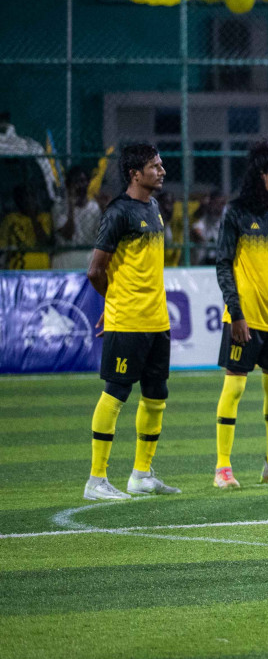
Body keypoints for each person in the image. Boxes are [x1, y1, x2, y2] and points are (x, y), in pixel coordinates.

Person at [82, 144, 180, 500]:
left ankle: (141, 474)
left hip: (157, 319)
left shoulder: (153, 207)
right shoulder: (118, 212)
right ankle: (96, 480)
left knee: (156, 396)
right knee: (116, 393)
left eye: (161, 163)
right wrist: (115, 304)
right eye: (155, 166)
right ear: (135, 173)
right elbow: (95, 271)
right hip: (128, 321)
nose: (162, 170)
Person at [211, 142, 268, 489]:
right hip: (245, 318)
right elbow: (223, 264)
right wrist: (235, 314)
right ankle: (223, 468)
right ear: (261, 174)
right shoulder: (235, 212)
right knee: (233, 388)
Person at [53, 165, 103, 269]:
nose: (81, 186)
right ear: (69, 185)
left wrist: (104, 210)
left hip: (88, 255)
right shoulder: (60, 207)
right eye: (76, 182)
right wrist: (71, 207)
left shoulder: (94, 207)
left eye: (83, 181)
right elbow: (67, 234)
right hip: (66, 255)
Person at [2, 184, 52, 269]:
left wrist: (32, 216)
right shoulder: (10, 219)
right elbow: (3, 245)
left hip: (41, 267)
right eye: (23, 197)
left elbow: (44, 241)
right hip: (16, 267)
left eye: (31, 197)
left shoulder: (44, 217)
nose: (27, 200)